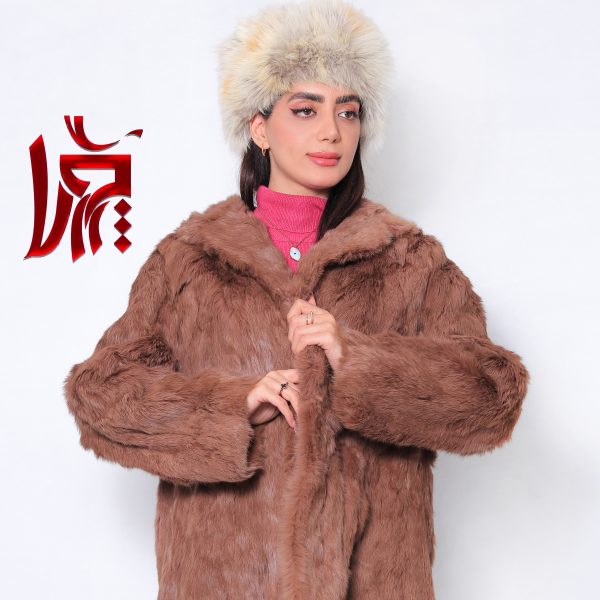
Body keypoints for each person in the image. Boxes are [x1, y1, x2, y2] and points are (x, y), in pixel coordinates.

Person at [63, 0, 530, 598]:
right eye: (305, 109)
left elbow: (493, 394)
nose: (331, 131)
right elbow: (99, 393)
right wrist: (231, 406)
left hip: (371, 579)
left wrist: (358, 360)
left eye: (348, 111)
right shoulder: (191, 259)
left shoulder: (407, 259)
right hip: (224, 580)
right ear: (259, 127)